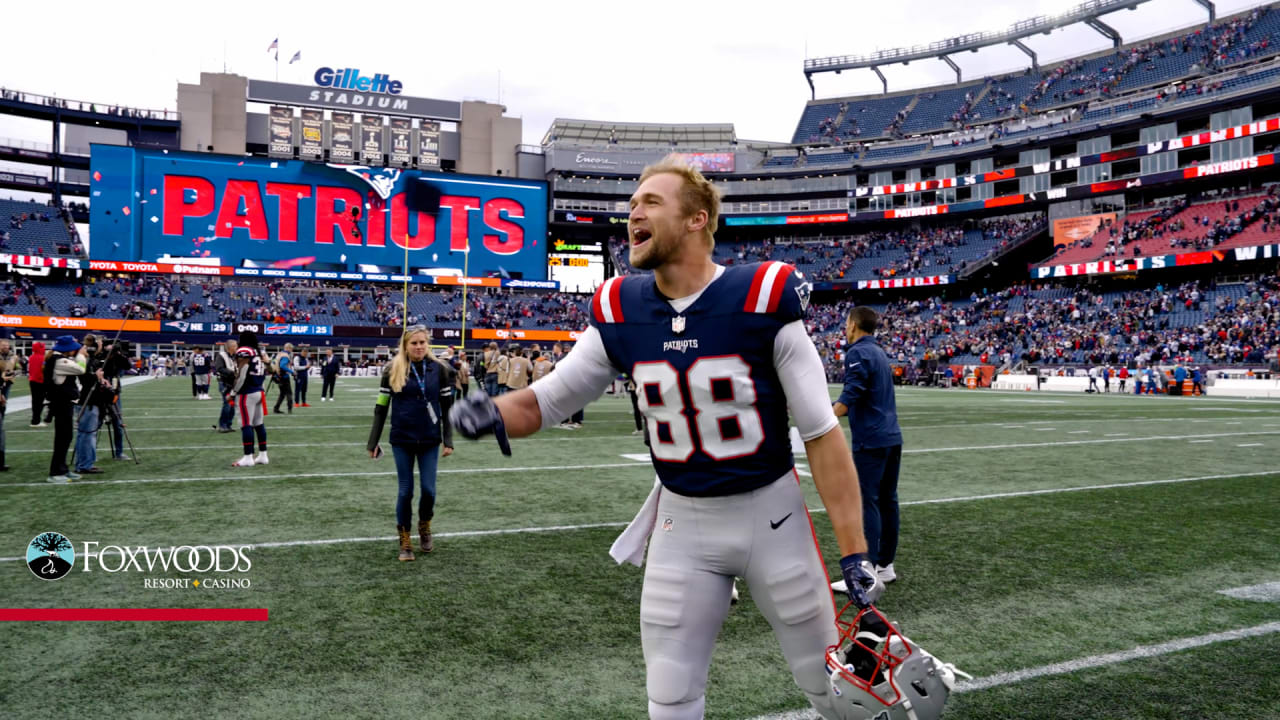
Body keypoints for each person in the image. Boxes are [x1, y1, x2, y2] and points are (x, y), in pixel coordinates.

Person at [451, 156, 882, 720]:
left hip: (770, 515)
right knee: (670, 690)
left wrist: (853, 551)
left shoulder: (762, 295)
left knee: (828, 682)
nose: (634, 212)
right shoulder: (621, 308)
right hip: (682, 521)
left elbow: (822, 434)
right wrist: (493, 413)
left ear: (697, 219)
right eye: (632, 205)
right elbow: (547, 401)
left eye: (651, 202)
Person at [367, 326, 456, 561]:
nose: (418, 347)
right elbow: (381, 408)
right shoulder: (392, 369)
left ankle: (424, 525)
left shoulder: (440, 370)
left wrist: (448, 439)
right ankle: (404, 539)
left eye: (422, 343)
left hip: (429, 438)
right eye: (414, 343)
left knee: (429, 490)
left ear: (428, 344)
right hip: (402, 438)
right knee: (405, 491)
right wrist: (373, 442)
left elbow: (447, 408)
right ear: (405, 345)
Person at [831, 307, 904, 586]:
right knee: (888, 501)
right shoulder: (878, 351)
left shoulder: (857, 352)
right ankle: (885, 564)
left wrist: (822, 416)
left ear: (853, 324)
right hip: (891, 436)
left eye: (846, 322)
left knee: (868, 502)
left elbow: (852, 394)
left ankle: (867, 572)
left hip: (871, 440)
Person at [46, 335, 86, 482]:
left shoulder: (59, 359)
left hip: (63, 403)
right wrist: (81, 356)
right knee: (62, 438)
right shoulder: (60, 361)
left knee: (66, 436)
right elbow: (81, 370)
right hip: (61, 403)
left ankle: (62, 468)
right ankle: (55, 472)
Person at [228, 331, 269, 467]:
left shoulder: (245, 351)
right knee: (259, 424)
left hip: (247, 392)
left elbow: (242, 374)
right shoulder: (258, 351)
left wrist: (233, 392)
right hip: (258, 390)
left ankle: (248, 457)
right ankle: (263, 455)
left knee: (245, 424)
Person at [72, 334, 108, 476]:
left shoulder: (89, 359)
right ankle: (84, 464)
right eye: (100, 343)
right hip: (87, 400)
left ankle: (85, 462)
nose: (102, 346)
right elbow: (84, 379)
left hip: (89, 400)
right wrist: (96, 377)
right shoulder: (83, 359)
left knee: (86, 434)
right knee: (87, 434)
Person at [213, 339, 238, 432]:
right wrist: (232, 373)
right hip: (224, 383)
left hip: (234, 383)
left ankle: (228, 424)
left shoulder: (235, 356)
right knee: (227, 404)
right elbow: (219, 368)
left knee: (232, 405)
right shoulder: (221, 355)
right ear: (230, 347)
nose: (237, 347)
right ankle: (222, 425)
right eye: (235, 346)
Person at [28, 340, 49, 427]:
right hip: (40, 381)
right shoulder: (43, 358)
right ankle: (36, 421)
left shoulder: (31, 357)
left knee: (35, 401)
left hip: (32, 381)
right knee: (40, 402)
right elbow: (44, 370)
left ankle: (35, 420)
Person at [273, 343, 295, 414]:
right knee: (289, 393)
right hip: (284, 376)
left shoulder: (279, 354)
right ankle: (290, 409)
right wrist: (292, 371)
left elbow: (274, 363)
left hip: (278, 376)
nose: (291, 350)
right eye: (291, 349)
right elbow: (282, 366)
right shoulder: (285, 356)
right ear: (288, 348)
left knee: (282, 394)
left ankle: (276, 408)